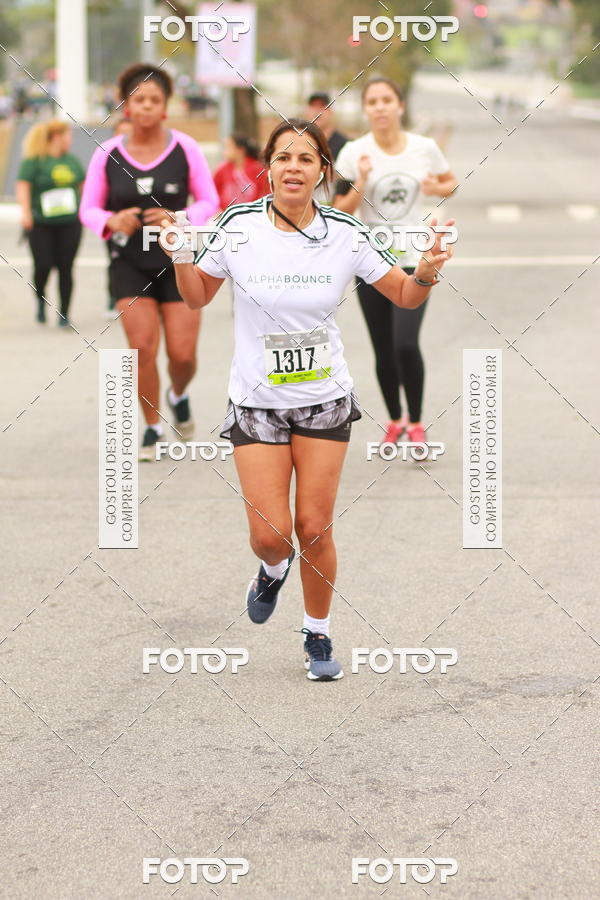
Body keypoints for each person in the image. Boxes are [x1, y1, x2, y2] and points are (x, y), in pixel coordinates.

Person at [160, 119, 454, 680]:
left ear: (323, 170)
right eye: (283, 157)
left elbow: (403, 295)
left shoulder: (345, 231)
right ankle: (272, 569)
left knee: (314, 527)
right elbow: (196, 297)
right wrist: (178, 257)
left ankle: (317, 633)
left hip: (324, 399)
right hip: (256, 401)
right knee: (270, 535)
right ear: (268, 168)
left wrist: (425, 271)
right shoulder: (238, 226)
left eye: (306, 158)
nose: (293, 167)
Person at [79, 63, 219, 460]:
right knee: (141, 349)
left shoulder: (186, 148)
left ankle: (179, 394)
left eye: (154, 100)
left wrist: (180, 217)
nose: (146, 106)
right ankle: (153, 428)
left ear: (165, 106)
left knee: (182, 355)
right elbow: (88, 209)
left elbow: (209, 201)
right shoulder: (107, 153)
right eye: (138, 99)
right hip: (129, 263)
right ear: (126, 106)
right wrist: (110, 221)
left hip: (179, 261)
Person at [333, 78, 458, 447]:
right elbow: (339, 210)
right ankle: (395, 420)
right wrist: (362, 179)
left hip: (415, 261)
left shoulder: (424, 147)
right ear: (365, 109)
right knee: (383, 347)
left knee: (405, 342)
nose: (380, 107)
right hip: (371, 263)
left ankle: (416, 422)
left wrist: (436, 188)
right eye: (372, 101)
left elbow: (451, 183)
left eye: (387, 99)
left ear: (400, 106)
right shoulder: (354, 152)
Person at [16, 120, 85, 326]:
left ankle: (64, 313)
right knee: (43, 266)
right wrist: (26, 213)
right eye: (68, 135)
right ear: (57, 137)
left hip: (69, 222)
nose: (70, 140)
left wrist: (87, 210)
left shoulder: (72, 161)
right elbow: (23, 187)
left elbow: (83, 186)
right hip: (41, 223)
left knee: (66, 267)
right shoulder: (35, 161)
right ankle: (40, 298)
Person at [104, 117, 132, 319]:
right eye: (121, 133)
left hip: (142, 224)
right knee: (116, 260)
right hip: (116, 223)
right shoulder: (106, 160)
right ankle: (114, 297)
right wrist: (110, 219)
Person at [212, 134, 269, 211]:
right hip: (226, 213)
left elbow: (265, 192)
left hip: (252, 213)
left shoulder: (257, 169)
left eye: (228, 147)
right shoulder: (222, 169)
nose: (225, 151)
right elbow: (213, 191)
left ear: (240, 150)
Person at [305, 92, 348, 161]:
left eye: (322, 107)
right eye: (313, 106)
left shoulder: (345, 146)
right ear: (307, 111)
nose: (317, 111)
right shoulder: (301, 143)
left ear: (331, 111)